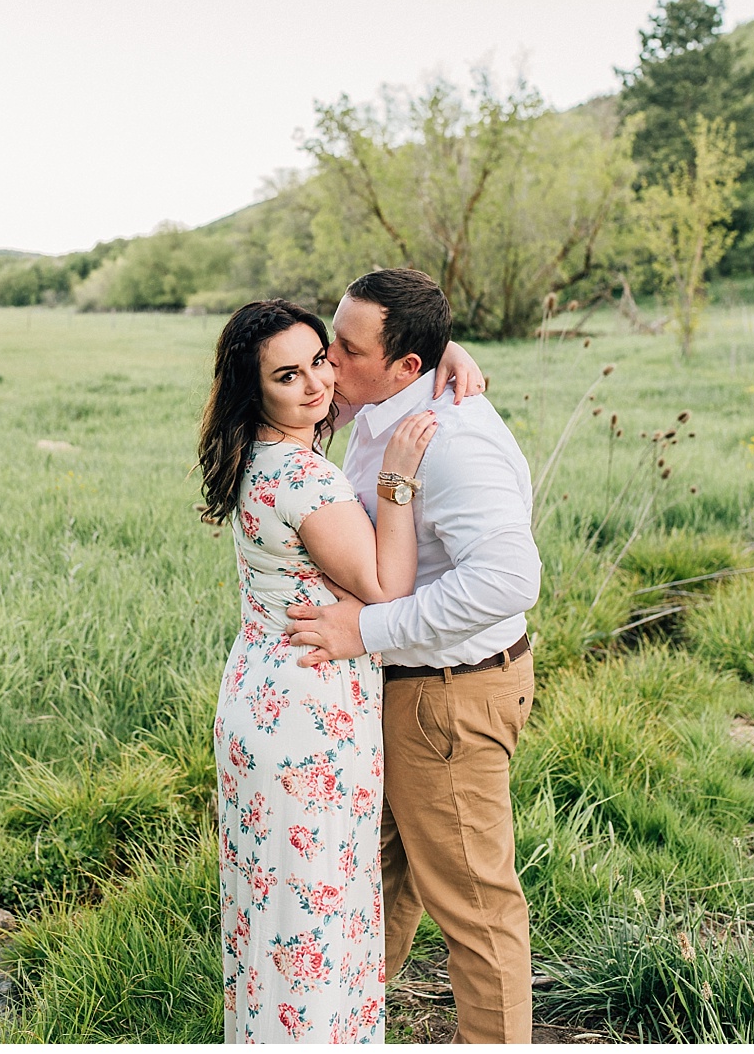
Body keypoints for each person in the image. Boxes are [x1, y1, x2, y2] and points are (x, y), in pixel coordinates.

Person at [198, 298, 482, 1044]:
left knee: (273, 914)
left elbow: (373, 366)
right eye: (288, 375)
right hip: (310, 714)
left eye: (321, 360)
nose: (318, 383)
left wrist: (440, 354)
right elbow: (387, 587)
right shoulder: (305, 479)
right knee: (316, 920)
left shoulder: (258, 455)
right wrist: (395, 480)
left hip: (261, 694)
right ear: (255, 388)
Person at [284, 268, 541, 1044]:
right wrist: (442, 350)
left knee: (475, 904)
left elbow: (509, 579)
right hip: (409, 689)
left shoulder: (452, 442)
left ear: (404, 367)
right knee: (381, 875)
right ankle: (344, 1025)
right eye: (332, 338)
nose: (329, 359)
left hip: (448, 696)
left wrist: (367, 629)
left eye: (347, 349)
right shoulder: (383, 399)